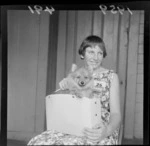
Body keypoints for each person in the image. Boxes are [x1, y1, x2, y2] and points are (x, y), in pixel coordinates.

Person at [27, 35, 121, 145]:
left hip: (98, 127)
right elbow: (66, 103)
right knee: (39, 142)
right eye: (91, 52)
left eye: (100, 53)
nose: (96, 57)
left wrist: (107, 131)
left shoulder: (111, 76)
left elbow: (116, 114)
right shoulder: (74, 74)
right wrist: (64, 87)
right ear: (82, 54)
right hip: (72, 122)